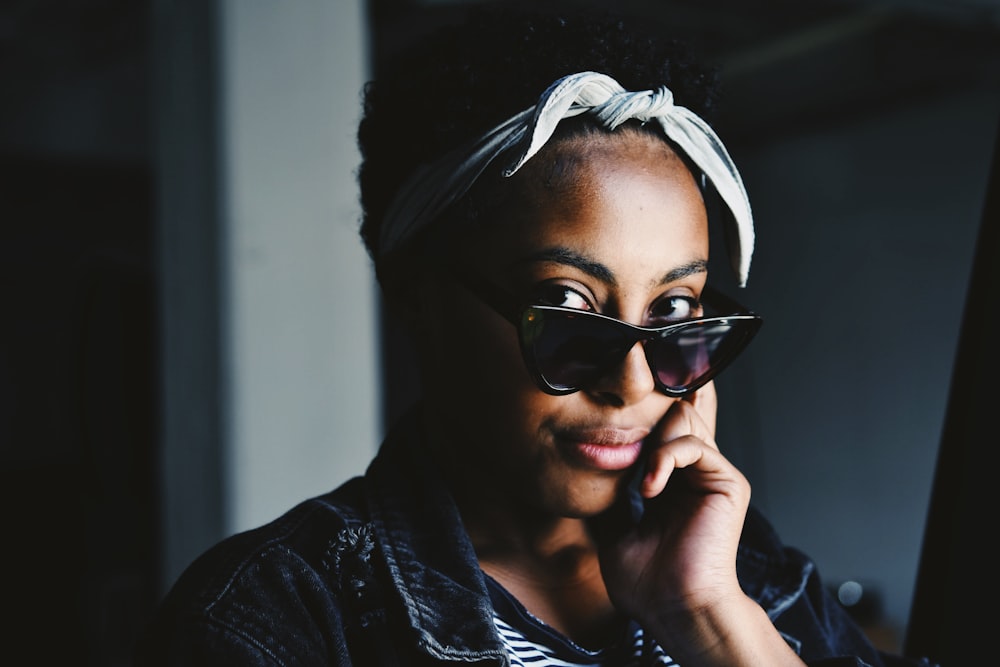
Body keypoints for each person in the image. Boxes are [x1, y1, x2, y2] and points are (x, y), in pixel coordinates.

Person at [134, 5, 937, 666]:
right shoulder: (275, 620)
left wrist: (710, 615)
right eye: (567, 304)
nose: (631, 384)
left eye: (673, 312)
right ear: (419, 296)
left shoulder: (744, 569)